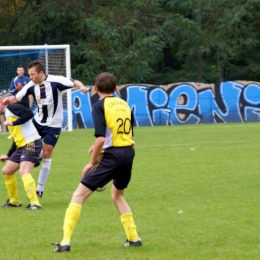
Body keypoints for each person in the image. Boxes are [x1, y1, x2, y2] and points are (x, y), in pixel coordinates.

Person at [52, 72, 142, 253]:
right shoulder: (124, 104)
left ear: (95, 89)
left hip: (112, 156)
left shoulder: (99, 105)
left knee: (78, 195)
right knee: (117, 195)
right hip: (128, 152)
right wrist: (99, 147)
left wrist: (92, 163)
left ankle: (65, 242)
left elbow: (101, 138)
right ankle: (134, 238)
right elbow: (126, 133)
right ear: (116, 89)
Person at [3, 60, 89, 198]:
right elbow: (17, 98)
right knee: (25, 143)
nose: (30, 78)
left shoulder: (56, 81)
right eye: (29, 74)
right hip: (37, 122)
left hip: (53, 125)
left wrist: (82, 87)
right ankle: (24, 157)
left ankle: (40, 188)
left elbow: (75, 82)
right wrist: (7, 100)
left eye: (32, 74)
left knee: (47, 153)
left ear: (41, 73)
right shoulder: (31, 85)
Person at [0, 97, 42, 210]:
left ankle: (35, 203)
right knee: (7, 171)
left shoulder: (11, 108)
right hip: (21, 146)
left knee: (24, 171)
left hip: (31, 142)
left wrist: (14, 123)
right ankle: (14, 201)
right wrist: (8, 155)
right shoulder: (7, 115)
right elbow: (16, 138)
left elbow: (29, 113)